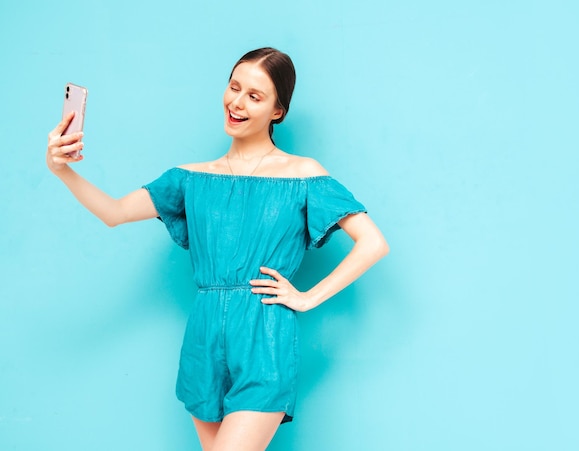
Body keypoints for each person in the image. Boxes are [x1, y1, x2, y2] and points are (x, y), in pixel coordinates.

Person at [46, 47, 388, 451]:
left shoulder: (303, 174)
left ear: (277, 111)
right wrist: (62, 169)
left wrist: (308, 297)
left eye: (255, 96)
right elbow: (115, 212)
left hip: (265, 337)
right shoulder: (189, 178)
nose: (237, 103)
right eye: (234, 87)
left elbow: (373, 242)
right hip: (203, 338)